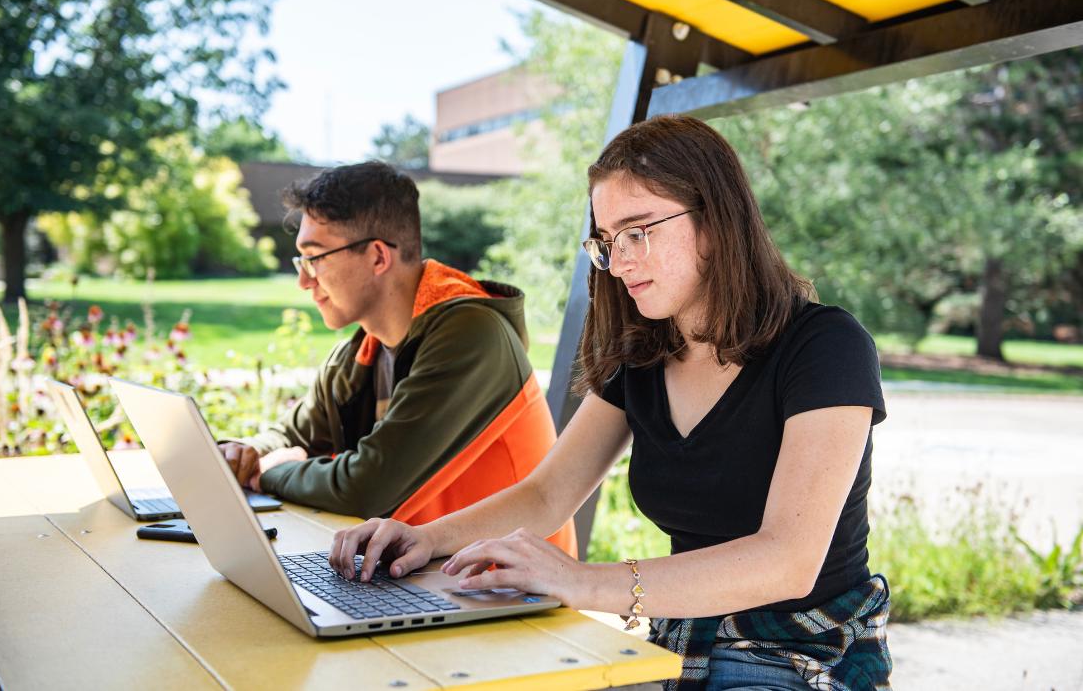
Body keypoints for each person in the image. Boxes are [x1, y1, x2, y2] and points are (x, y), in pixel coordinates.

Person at [327, 117, 891, 691]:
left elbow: (788, 559)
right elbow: (547, 494)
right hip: (679, 650)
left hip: (806, 654)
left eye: (638, 232)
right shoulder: (644, 356)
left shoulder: (826, 346)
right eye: (607, 240)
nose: (618, 263)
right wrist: (423, 536)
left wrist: (583, 582)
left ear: (716, 224)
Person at [219, 161, 576, 556]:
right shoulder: (359, 353)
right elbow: (293, 436)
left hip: (506, 590)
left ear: (377, 257)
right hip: (418, 578)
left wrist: (270, 473)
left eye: (315, 257)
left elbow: (367, 488)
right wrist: (247, 451)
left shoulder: (471, 336)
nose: (304, 280)